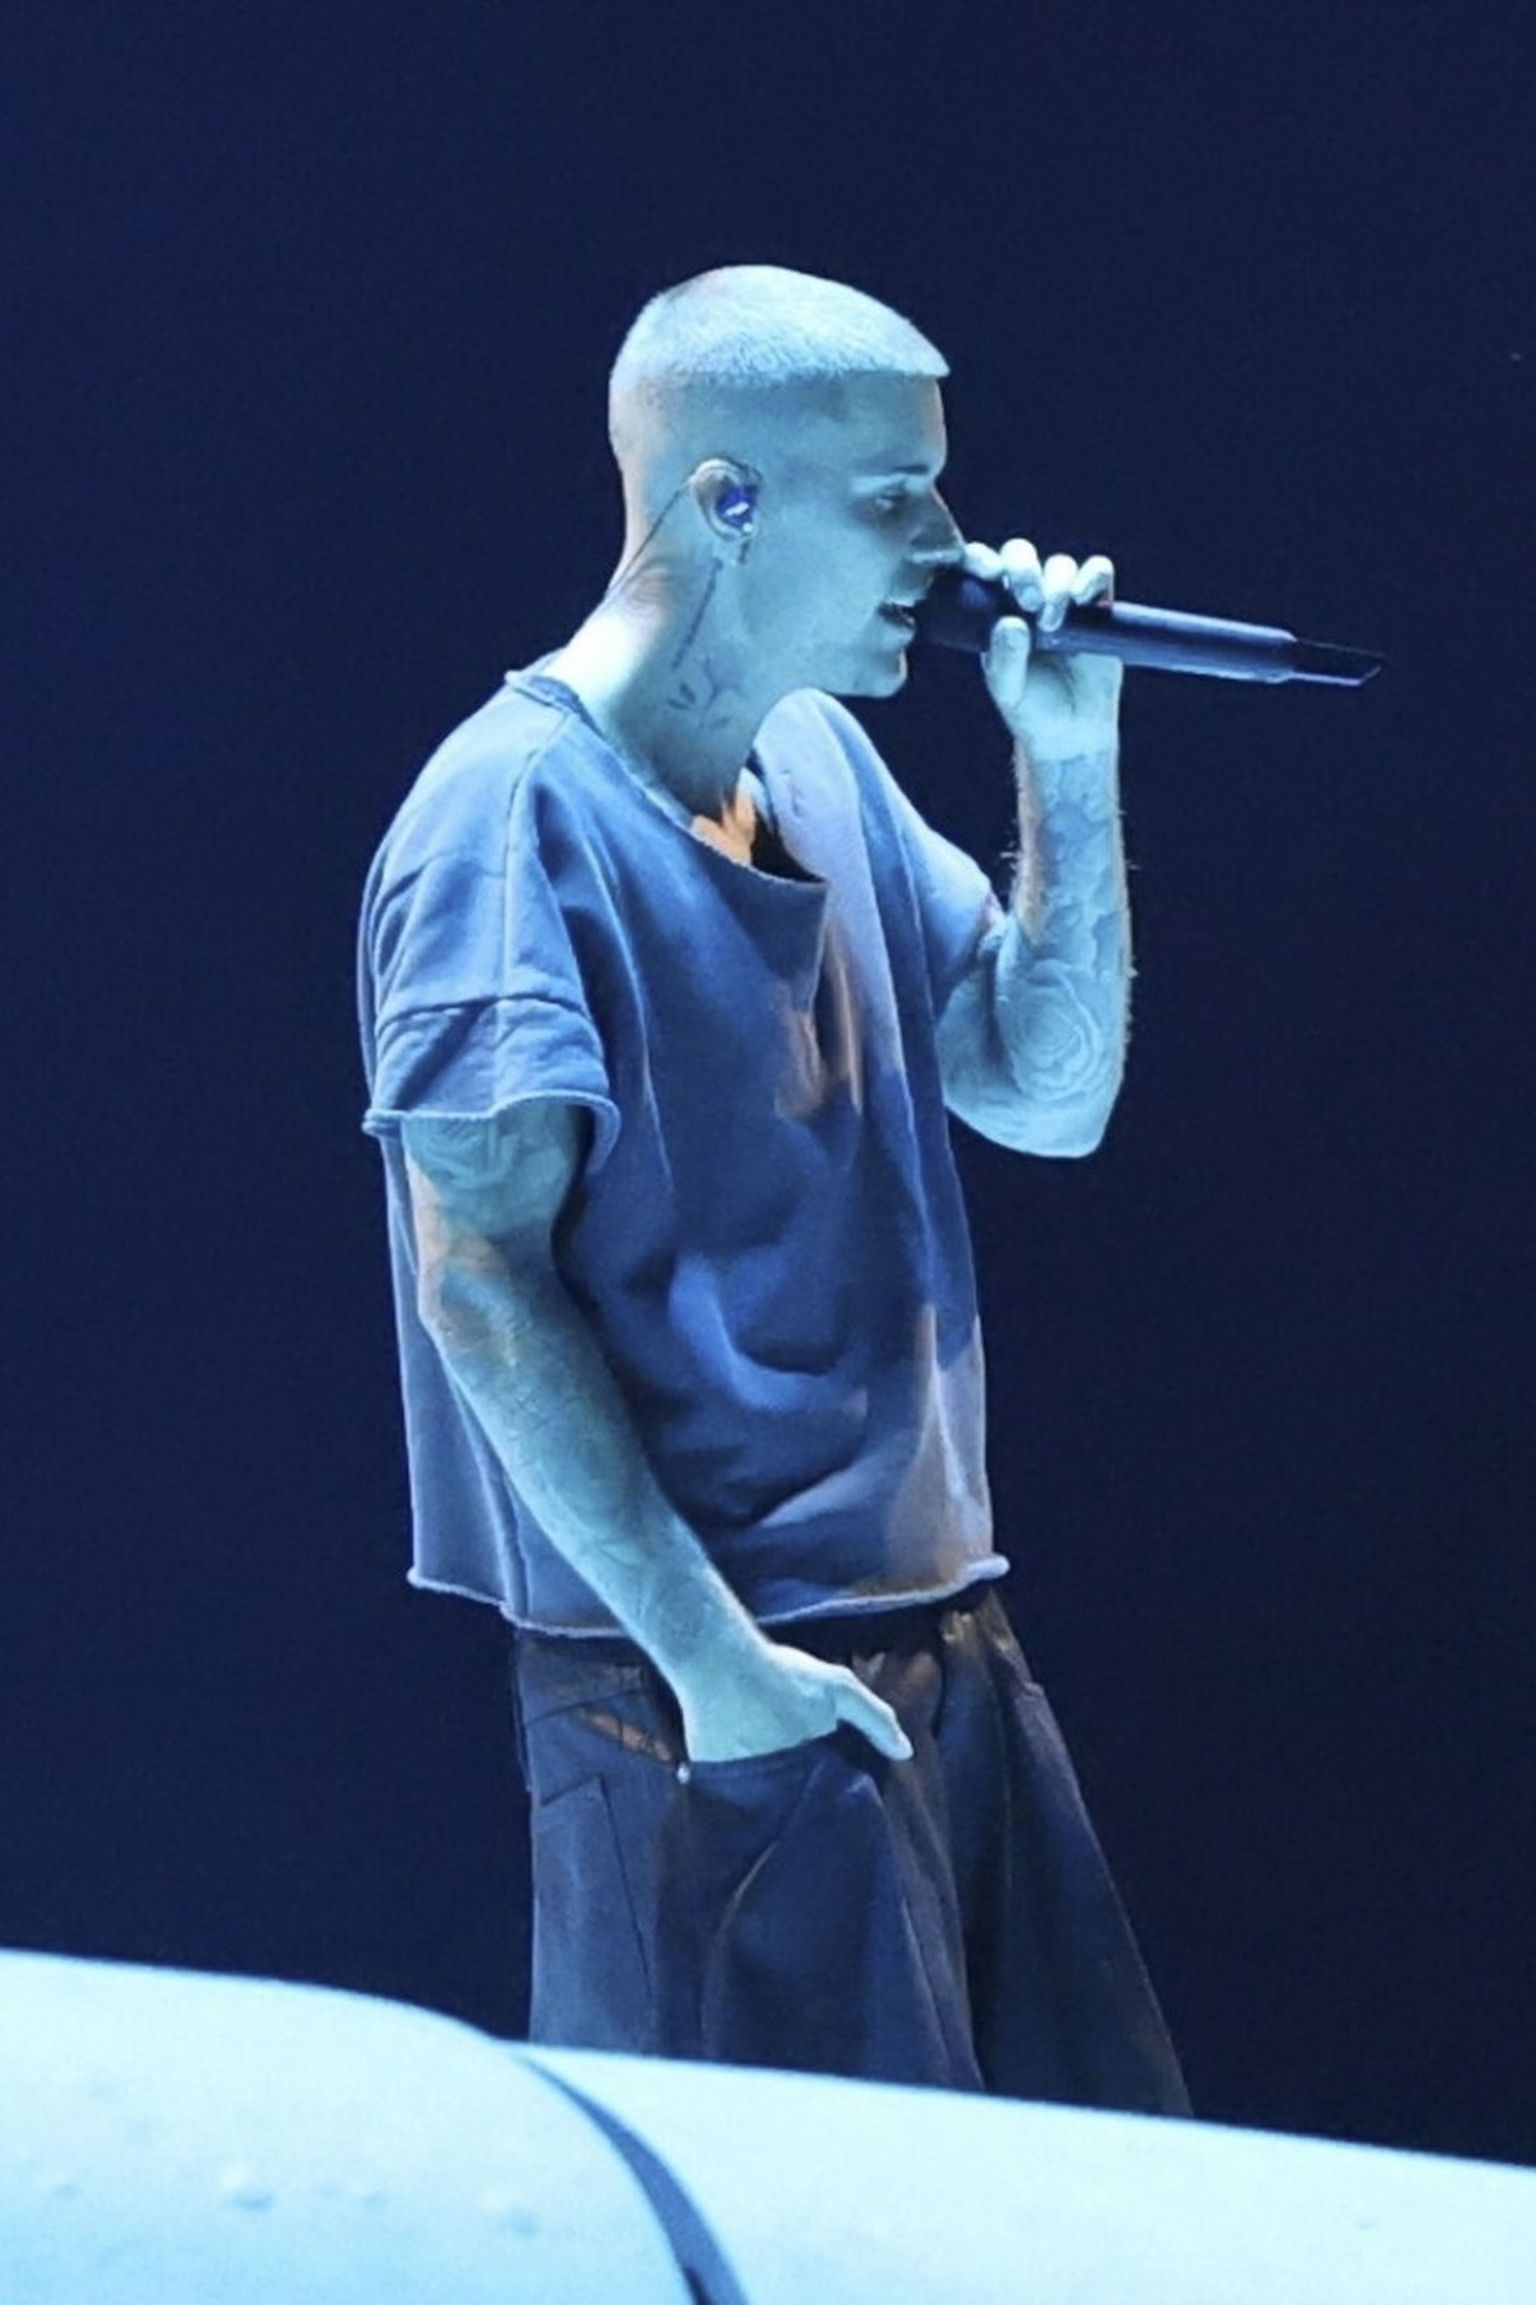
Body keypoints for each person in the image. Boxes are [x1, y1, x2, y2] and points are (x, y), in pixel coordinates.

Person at [356, 264, 1189, 2113]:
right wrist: (714, 1665)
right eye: (896, 498)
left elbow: (1046, 1094)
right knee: (812, 2226)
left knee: (1067, 2210)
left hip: (942, 1638)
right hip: (705, 1693)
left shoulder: (815, 756)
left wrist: (1070, 765)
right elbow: (477, 1277)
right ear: (725, 497)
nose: (950, 549)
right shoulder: (507, 819)